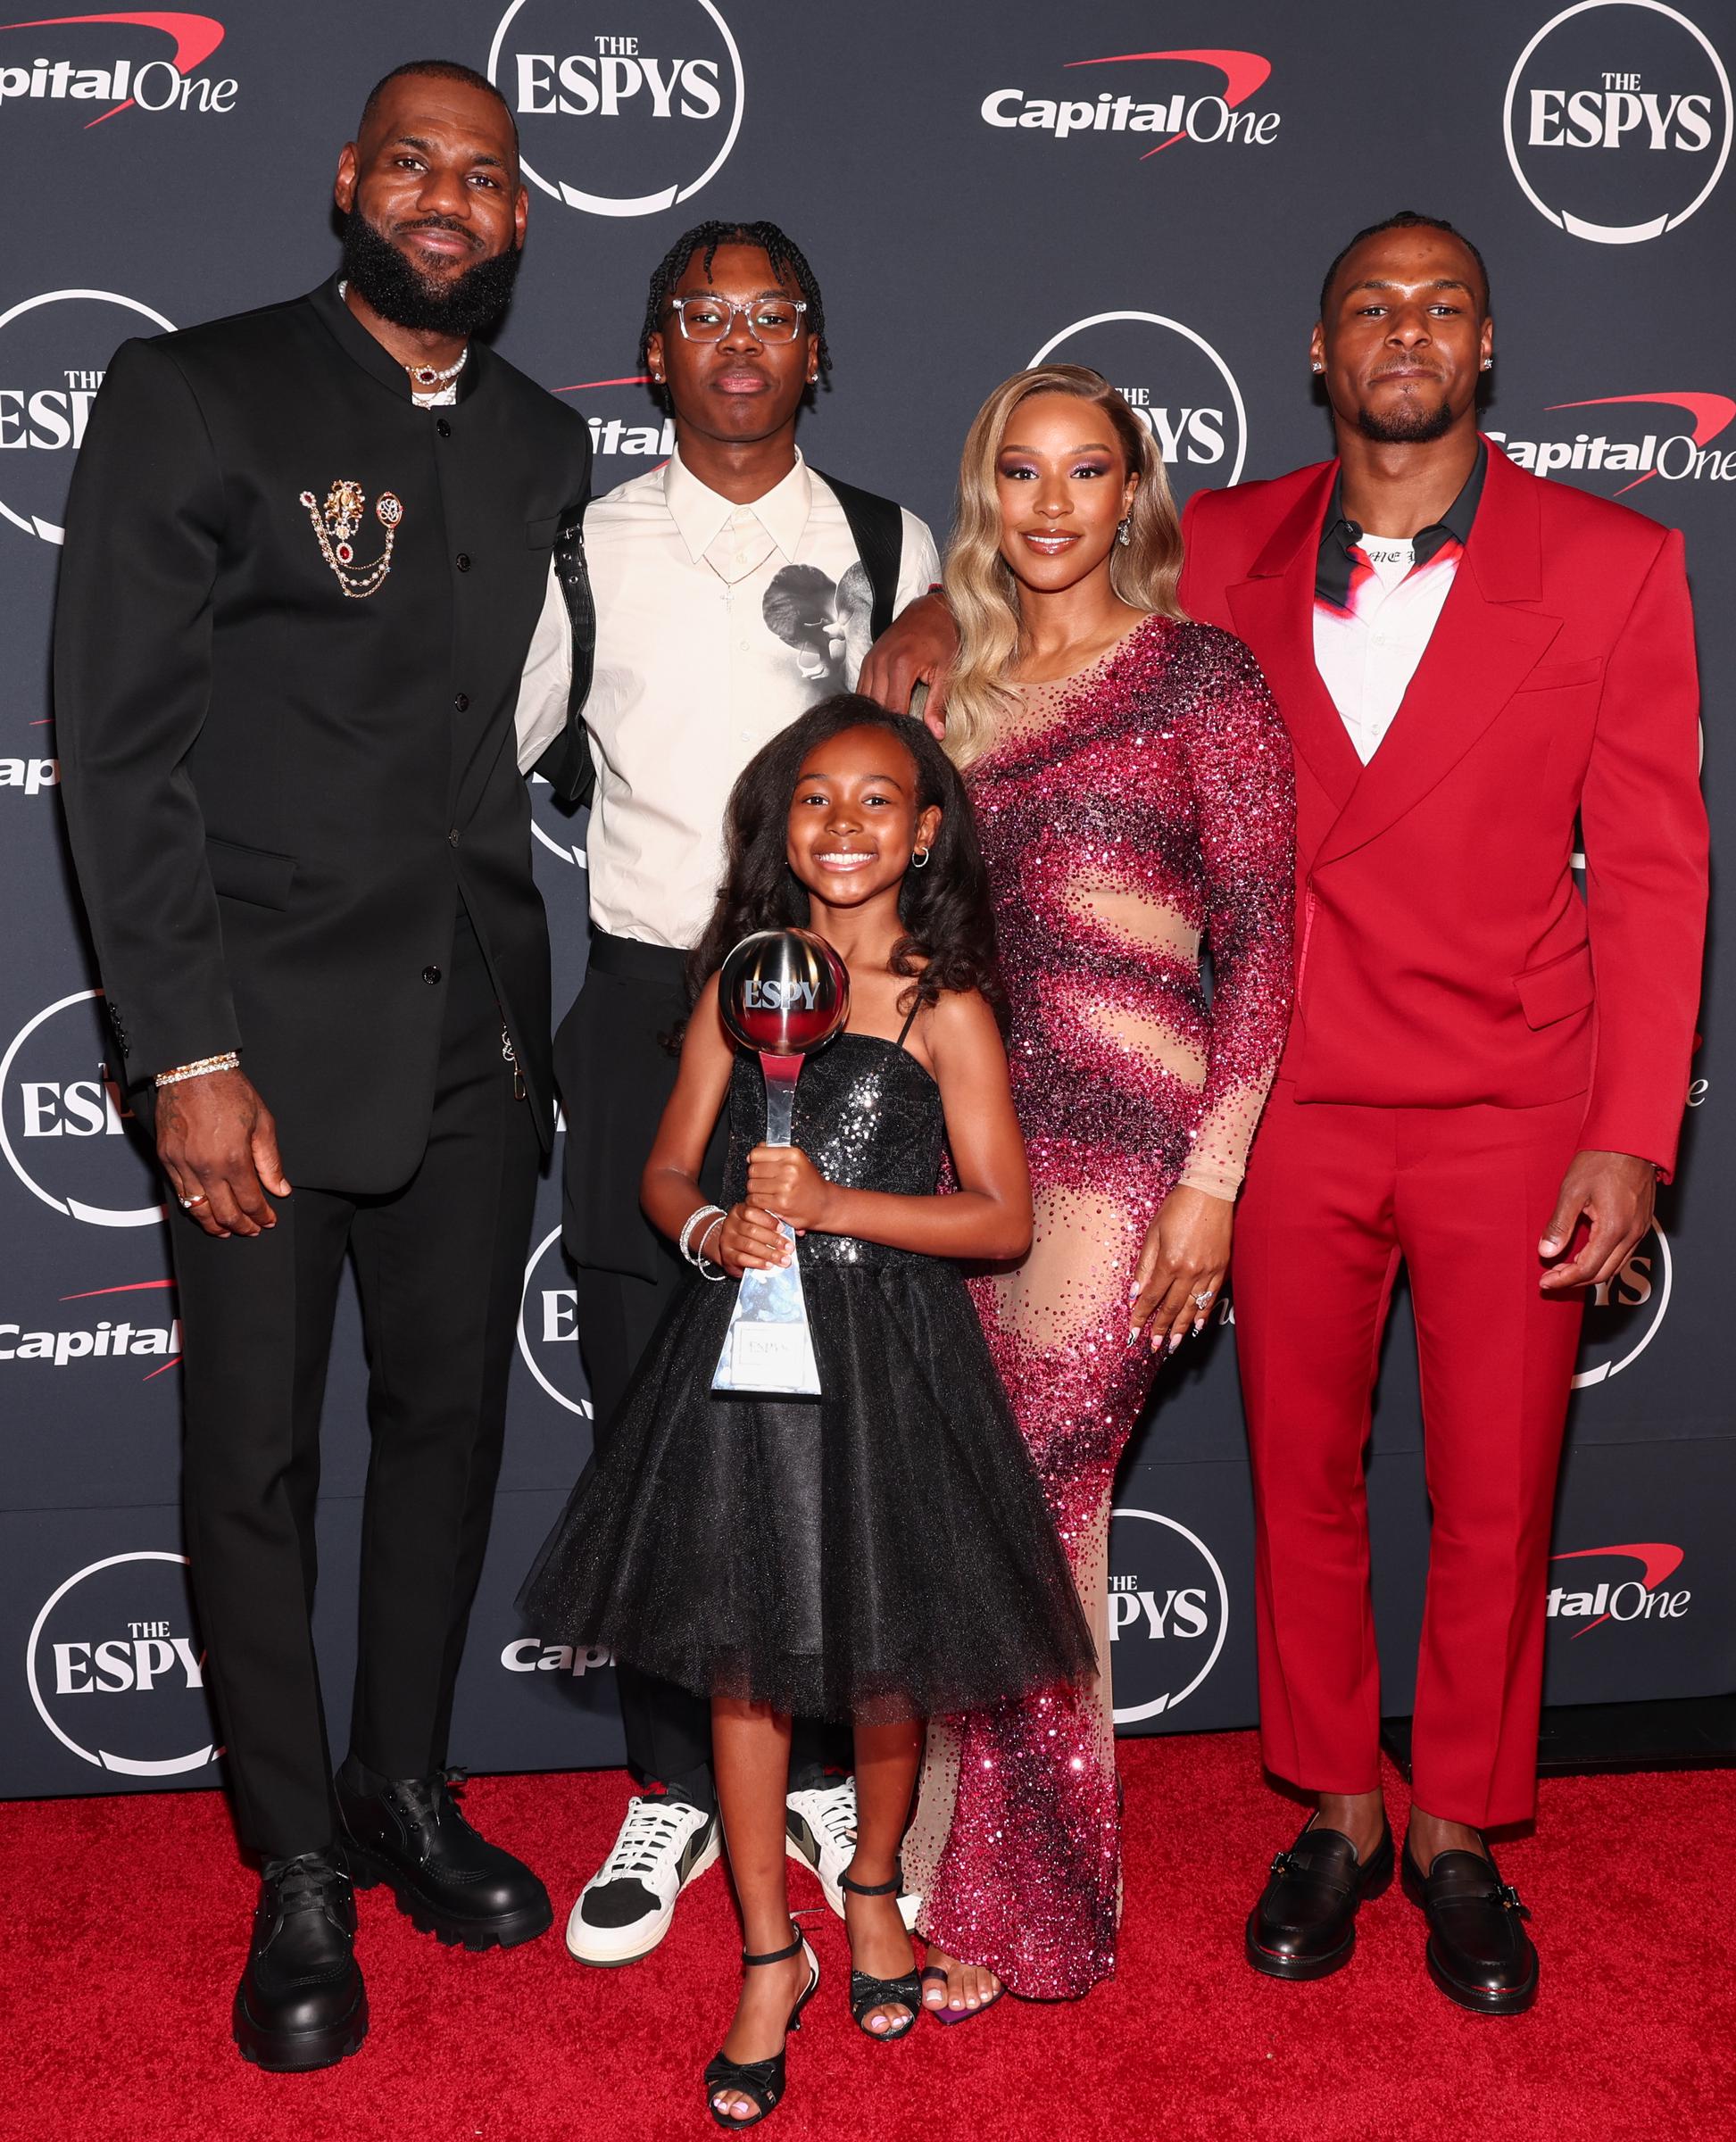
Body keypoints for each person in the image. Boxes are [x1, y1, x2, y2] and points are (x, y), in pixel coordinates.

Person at [876, 212, 1708, 2014]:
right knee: (1296, 1480)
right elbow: (1054, 586)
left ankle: (1462, 1833)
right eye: (1367, 309)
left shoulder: (1620, 562)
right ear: (1321, 356)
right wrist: (937, 606)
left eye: (1441, 307)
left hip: (1511, 1099)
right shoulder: (1228, 540)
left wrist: (1632, 1129)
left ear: (1486, 347)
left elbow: (1653, 867)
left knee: (1496, 1497)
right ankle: (1333, 1811)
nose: (1403, 332)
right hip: (1288, 1098)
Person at [54, 61, 594, 2071]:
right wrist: (181, 1051)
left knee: (445, 1443)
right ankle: (292, 1858)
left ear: (522, 218)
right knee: (257, 1465)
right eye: (416, 168)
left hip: (472, 1036)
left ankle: (400, 1785)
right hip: (257, 1052)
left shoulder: (544, 443)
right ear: (349, 184)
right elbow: (115, 757)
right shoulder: (194, 393)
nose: (449, 202)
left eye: (486, 177)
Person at [521, 697, 1094, 2125]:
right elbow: (662, 1173)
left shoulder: (942, 999)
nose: (844, 829)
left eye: (877, 802)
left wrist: (838, 1208)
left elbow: (1004, 1219)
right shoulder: (740, 979)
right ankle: (768, 1957)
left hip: (892, 1359)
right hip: (744, 1366)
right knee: (746, 1665)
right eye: (814, 802)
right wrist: (712, 1229)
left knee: (893, 1656)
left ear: (927, 829)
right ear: (780, 826)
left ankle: (875, 1889)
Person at [512, 221, 942, 1965]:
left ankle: (829, 1765)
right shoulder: (586, 543)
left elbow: (942, 791)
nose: (744, 341)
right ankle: (675, 1783)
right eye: (709, 315)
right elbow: (499, 766)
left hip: (839, 1035)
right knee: (647, 1416)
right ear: (655, 351)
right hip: (643, 1015)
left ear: (817, 351)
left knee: (833, 1423)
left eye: (776, 315)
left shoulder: (891, 540)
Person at [901, 367, 1295, 2011]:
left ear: (1132, 494)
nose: (1050, 504)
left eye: (1086, 473)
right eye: (1019, 472)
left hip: (1131, 1149)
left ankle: (1032, 1912)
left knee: (1031, 1491)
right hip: (961, 1139)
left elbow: (1268, 944)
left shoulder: (1202, 674)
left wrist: (1214, 1180)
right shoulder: (947, 691)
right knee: (966, 1500)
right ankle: (934, 1860)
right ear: (984, 492)